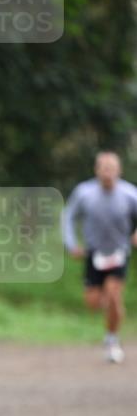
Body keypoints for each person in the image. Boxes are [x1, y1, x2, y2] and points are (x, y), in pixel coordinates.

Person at [62, 152, 137, 363]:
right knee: (94, 302)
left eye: (112, 168)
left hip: (119, 251)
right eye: (104, 168)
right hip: (93, 253)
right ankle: (110, 314)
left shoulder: (130, 193)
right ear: (97, 170)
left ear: (119, 171)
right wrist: (71, 244)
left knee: (114, 295)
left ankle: (112, 339)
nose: (108, 173)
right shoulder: (84, 193)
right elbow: (68, 216)